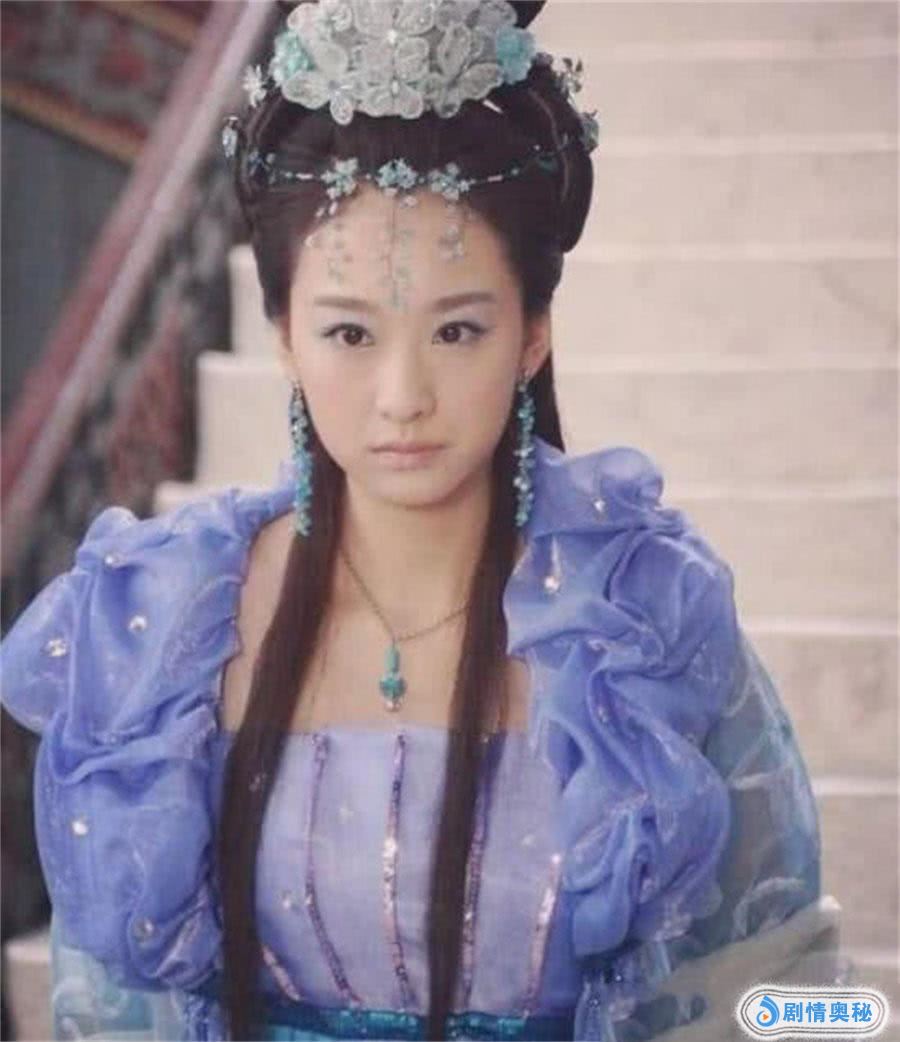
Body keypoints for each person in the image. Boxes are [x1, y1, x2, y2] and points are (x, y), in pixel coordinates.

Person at [0, 2, 845, 1039]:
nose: (403, 398)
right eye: (350, 333)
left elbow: (772, 979)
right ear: (284, 338)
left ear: (532, 335)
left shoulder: (637, 621)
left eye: (457, 331)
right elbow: (113, 1010)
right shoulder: (163, 623)